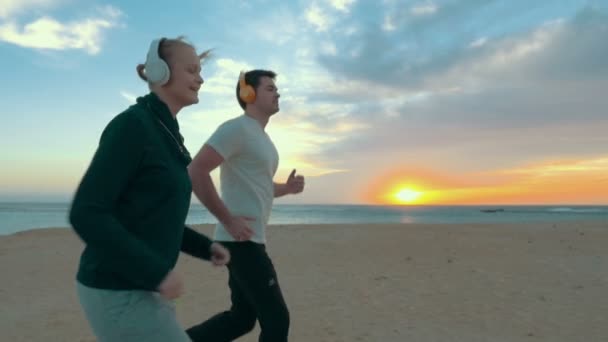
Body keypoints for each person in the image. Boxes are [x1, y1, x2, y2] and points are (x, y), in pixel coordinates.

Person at [69, 36, 230, 342]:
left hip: (143, 287)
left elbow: (153, 217)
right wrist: (156, 272)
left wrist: (205, 247)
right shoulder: (133, 126)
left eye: (200, 70)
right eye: (192, 70)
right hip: (115, 289)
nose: (201, 78)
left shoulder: (164, 132)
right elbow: (86, 213)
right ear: (160, 72)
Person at [186, 70, 305, 341]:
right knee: (277, 320)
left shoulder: (262, 139)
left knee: (241, 318)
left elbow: (259, 187)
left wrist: (286, 188)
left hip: (248, 240)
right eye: (270, 88)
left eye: (277, 88)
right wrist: (227, 219)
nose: (278, 93)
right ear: (248, 94)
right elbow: (195, 171)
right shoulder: (236, 128)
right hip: (241, 242)